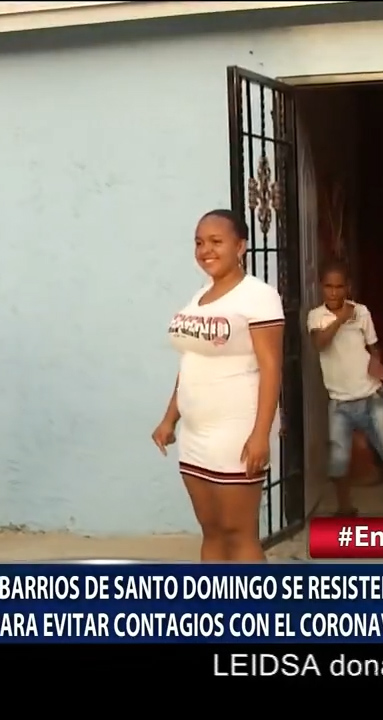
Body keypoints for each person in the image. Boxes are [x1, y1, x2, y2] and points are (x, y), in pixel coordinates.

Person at [151, 209, 284, 562]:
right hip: (195, 433)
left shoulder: (258, 296)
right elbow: (191, 362)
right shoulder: (200, 296)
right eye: (198, 242)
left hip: (236, 431)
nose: (205, 250)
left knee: (238, 534)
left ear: (241, 246)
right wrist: (169, 419)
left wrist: (261, 434)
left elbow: (272, 368)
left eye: (216, 241)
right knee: (211, 533)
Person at [307, 261, 383, 517]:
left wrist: (376, 361)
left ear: (348, 287)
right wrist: (341, 318)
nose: (333, 292)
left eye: (339, 287)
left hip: (371, 397)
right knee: (339, 461)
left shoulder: (362, 312)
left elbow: (373, 345)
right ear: (321, 287)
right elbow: (320, 343)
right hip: (339, 403)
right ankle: (345, 508)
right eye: (328, 287)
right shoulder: (316, 316)